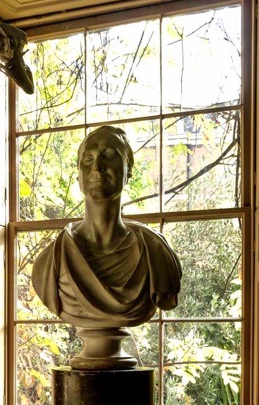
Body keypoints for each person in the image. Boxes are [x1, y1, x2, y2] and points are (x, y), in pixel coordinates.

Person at [32, 126, 182, 335]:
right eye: (88, 158)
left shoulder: (156, 254)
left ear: (128, 171)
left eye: (109, 156)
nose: (97, 166)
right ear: (78, 174)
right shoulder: (49, 262)